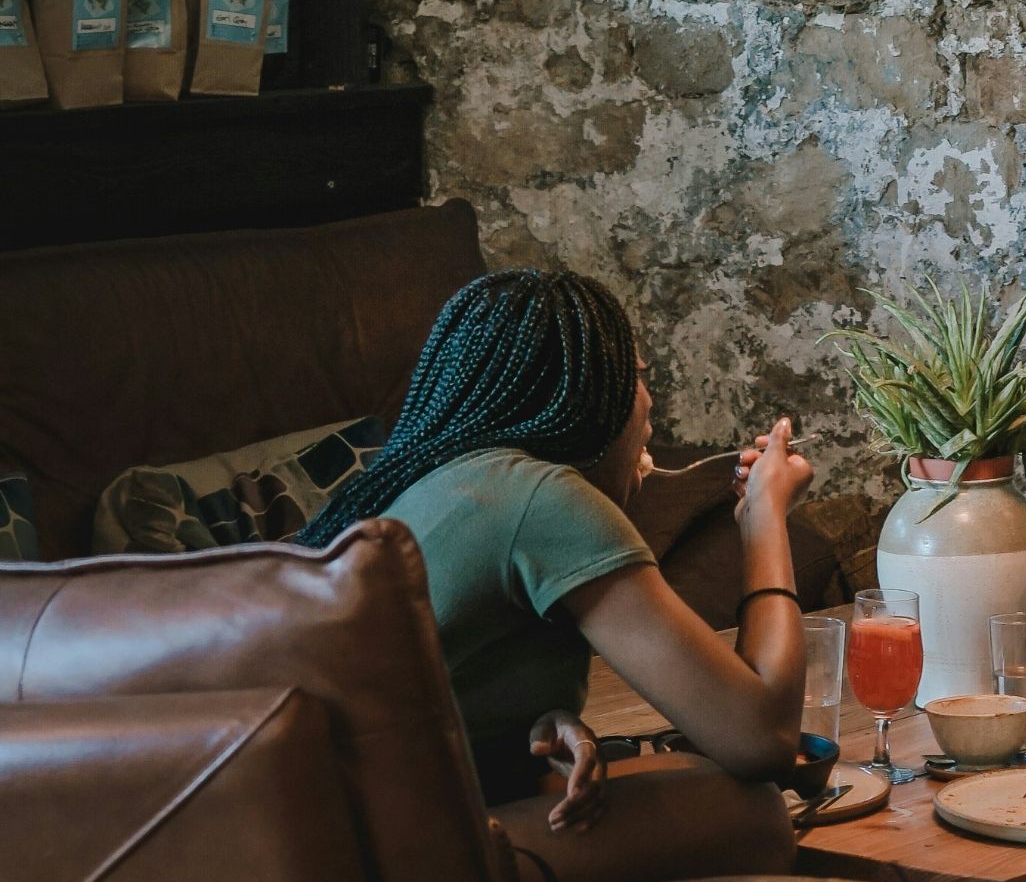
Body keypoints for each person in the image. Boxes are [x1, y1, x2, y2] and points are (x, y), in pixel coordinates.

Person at [297, 269, 812, 836]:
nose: (649, 402)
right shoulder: (544, 499)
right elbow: (760, 739)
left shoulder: (430, 482)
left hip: (321, 845)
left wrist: (529, 733)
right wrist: (765, 520)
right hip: (402, 860)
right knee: (753, 813)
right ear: (590, 396)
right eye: (636, 376)